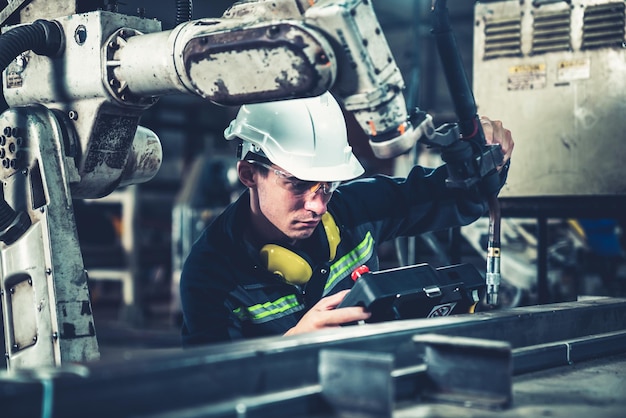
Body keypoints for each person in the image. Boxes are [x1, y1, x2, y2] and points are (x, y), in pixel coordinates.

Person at [180, 91, 514, 346]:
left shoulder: (356, 209)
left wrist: (486, 166)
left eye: (328, 186)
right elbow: (215, 388)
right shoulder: (209, 275)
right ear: (249, 173)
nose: (318, 206)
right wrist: (292, 345)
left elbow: (456, 200)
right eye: (297, 184)